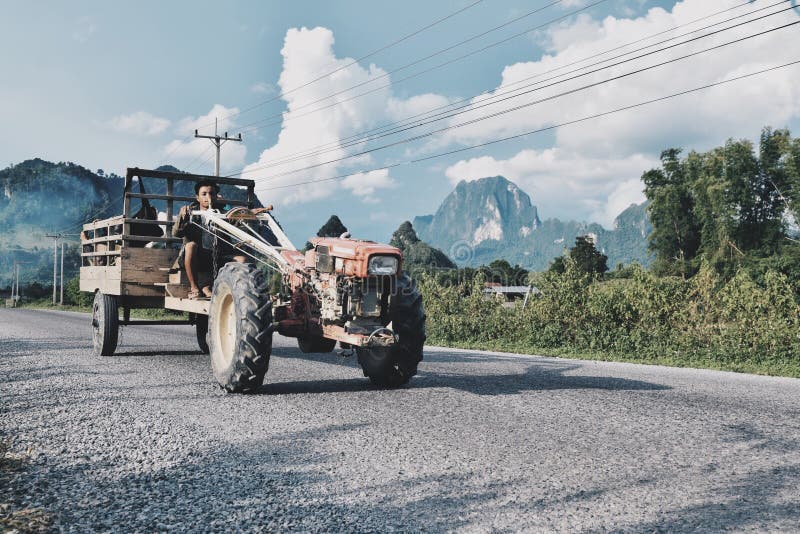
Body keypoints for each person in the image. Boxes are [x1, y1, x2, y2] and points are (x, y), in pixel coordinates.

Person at [174, 180, 245, 299]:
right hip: (198, 258)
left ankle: (238, 293)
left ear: (216, 196)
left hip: (219, 257)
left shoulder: (223, 214)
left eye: (212, 193)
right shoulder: (190, 213)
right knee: (190, 246)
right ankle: (195, 287)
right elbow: (176, 233)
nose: (208, 197)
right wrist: (182, 218)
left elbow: (238, 223)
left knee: (242, 260)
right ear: (197, 197)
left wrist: (247, 215)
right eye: (204, 194)